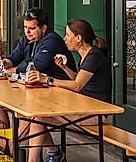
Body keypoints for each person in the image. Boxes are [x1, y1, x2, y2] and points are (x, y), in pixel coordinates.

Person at [20, 19, 111, 162]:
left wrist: (47, 80)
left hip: (95, 112)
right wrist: (64, 68)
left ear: (79, 38)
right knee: (37, 115)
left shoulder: (94, 56)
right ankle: (47, 154)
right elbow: (79, 79)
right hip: (83, 106)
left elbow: (77, 86)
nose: (64, 39)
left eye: (68, 35)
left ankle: (18, 149)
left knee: (37, 116)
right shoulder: (87, 55)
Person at [0, 7, 75, 160]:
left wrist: (10, 71)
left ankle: (10, 147)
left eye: (32, 28)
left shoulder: (52, 40)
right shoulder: (28, 39)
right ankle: (52, 152)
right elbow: (14, 58)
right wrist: (4, 63)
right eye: (25, 28)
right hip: (39, 90)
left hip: (61, 93)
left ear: (43, 28)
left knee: (28, 113)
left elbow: (35, 67)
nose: (27, 32)